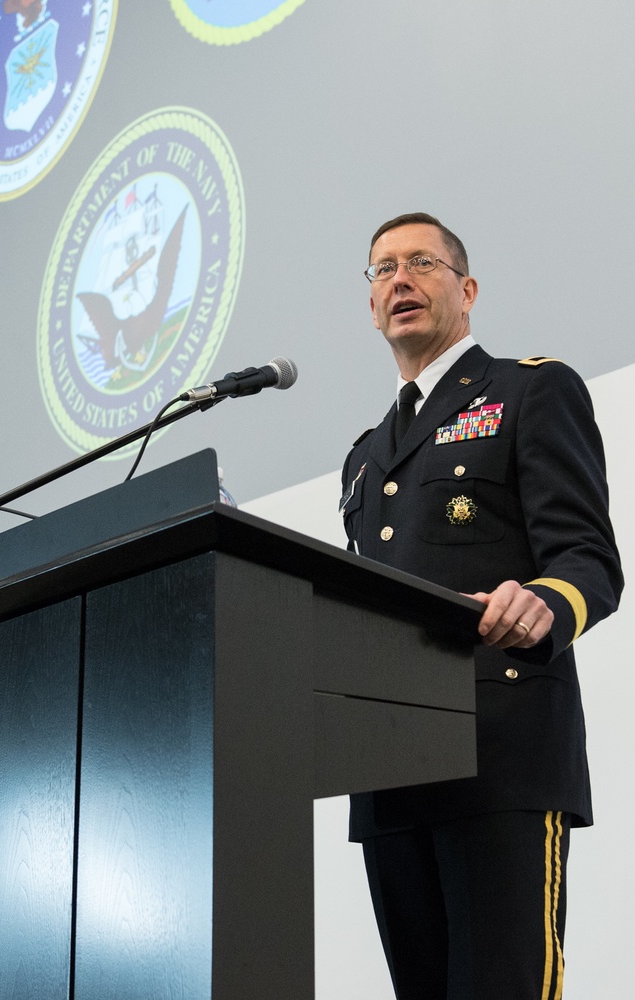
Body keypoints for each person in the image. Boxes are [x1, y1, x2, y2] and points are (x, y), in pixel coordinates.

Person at [339, 212, 623, 999]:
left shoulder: (531, 390)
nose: (400, 280)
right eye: (383, 270)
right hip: (388, 774)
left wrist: (540, 603)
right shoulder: (363, 459)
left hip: (499, 756)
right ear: (371, 306)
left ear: (466, 290)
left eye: (422, 263)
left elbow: (590, 562)